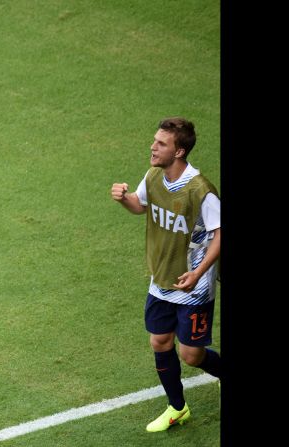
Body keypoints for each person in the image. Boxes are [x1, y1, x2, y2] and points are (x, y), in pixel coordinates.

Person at [110, 117, 221, 432]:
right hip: (161, 277)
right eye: (154, 141)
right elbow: (140, 205)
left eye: (161, 143)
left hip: (193, 286)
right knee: (159, 341)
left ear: (179, 151)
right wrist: (124, 199)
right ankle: (177, 407)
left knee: (191, 354)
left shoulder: (201, 191)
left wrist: (198, 273)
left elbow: (219, 235)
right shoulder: (154, 175)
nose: (153, 146)